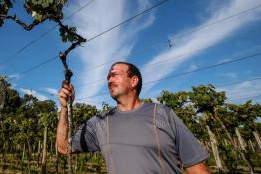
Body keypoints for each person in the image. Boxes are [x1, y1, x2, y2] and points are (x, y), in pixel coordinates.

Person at [57, 61, 210, 174]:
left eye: (114, 75)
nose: (109, 80)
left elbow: (197, 168)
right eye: (108, 77)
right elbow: (64, 147)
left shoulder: (163, 113)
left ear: (134, 81)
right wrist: (64, 108)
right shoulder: (100, 121)